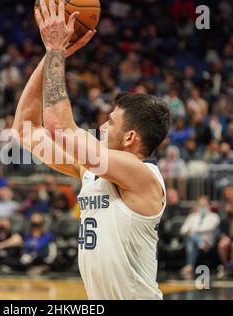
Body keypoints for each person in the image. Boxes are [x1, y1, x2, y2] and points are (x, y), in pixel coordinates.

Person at [13, 0, 170, 299]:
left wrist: (57, 49)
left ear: (129, 138)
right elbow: (24, 130)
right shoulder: (90, 170)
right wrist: (49, 57)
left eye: (111, 123)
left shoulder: (142, 175)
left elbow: (58, 126)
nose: (102, 128)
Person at [180, 196, 220, 278]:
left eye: (204, 205)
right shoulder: (192, 216)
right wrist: (192, 232)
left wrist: (193, 231)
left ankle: (189, 265)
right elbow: (183, 230)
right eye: (200, 205)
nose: (202, 207)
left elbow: (210, 228)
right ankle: (200, 243)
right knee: (191, 238)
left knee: (191, 236)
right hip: (196, 242)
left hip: (208, 241)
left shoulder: (214, 216)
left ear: (209, 205)